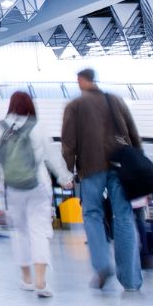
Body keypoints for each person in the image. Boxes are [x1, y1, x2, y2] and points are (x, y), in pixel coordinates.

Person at [62, 68, 143, 292]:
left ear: (81, 80)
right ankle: (131, 280)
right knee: (124, 217)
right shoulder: (115, 100)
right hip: (120, 165)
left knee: (92, 214)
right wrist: (139, 162)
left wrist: (67, 172)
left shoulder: (74, 106)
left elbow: (69, 143)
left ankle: (101, 265)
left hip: (90, 167)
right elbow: (133, 133)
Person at [0, 91, 70, 297]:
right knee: (39, 230)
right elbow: (53, 156)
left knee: (20, 232)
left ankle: (26, 279)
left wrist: (0, 185)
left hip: (12, 188)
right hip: (38, 186)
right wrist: (64, 177)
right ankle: (41, 281)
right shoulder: (38, 126)